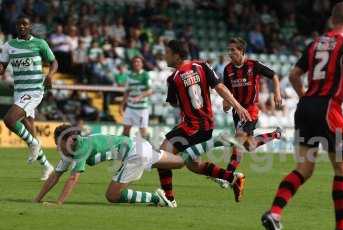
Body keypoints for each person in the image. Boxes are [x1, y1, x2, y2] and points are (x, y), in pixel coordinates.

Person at [260, 2, 343, 230]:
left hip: (305, 108)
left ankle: (274, 213)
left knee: (304, 168)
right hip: (329, 111)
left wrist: (305, 95)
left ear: (331, 20)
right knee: (342, 167)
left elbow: (294, 75)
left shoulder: (315, 43)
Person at [33, 124, 237, 206]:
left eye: (57, 140)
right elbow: (55, 175)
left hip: (134, 154)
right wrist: (37, 199)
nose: (56, 144)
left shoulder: (79, 148)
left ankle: (157, 200)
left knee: (112, 195)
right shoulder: (71, 149)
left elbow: (73, 177)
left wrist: (58, 203)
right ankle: (217, 141)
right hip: (140, 147)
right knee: (182, 162)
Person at [157, 40, 252, 205]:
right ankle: (233, 178)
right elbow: (220, 87)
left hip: (193, 126)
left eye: (167, 53)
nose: (164, 55)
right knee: (192, 164)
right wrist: (238, 106)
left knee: (162, 154)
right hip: (206, 124)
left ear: (177, 55)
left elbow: (173, 103)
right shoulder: (202, 66)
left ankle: (169, 199)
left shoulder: (173, 78)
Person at [212, 37, 282, 188]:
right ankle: (275, 134)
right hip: (237, 111)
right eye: (229, 50)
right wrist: (226, 103)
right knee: (248, 145)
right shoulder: (228, 69)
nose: (230, 53)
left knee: (238, 140)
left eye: (233, 50)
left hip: (250, 109)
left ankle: (227, 176)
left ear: (241, 51)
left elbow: (274, 75)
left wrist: (277, 92)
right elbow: (227, 89)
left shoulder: (253, 65)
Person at [0, 15, 58, 181]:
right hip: (19, 91)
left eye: (25, 24)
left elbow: (54, 62)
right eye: (19, 24)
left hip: (34, 90)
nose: (22, 27)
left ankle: (33, 144)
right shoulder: (8, 46)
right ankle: (47, 166)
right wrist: (1, 67)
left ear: (30, 26)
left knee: (9, 120)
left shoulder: (40, 43)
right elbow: (2, 66)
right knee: (29, 127)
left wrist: (50, 75)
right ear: (16, 27)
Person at [120, 56, 153, 139]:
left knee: (143, 132)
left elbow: (150, 91)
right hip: (130, 107)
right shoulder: (129, 75)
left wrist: (139, 97)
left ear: (142, 64)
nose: (136, 63)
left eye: (138, 62)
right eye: (135, 62)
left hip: (141, 109)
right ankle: (124, 150)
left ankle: (149, 149)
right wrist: (121, 106)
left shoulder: (146, 75)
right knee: (125, 130)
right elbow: (127, 92)